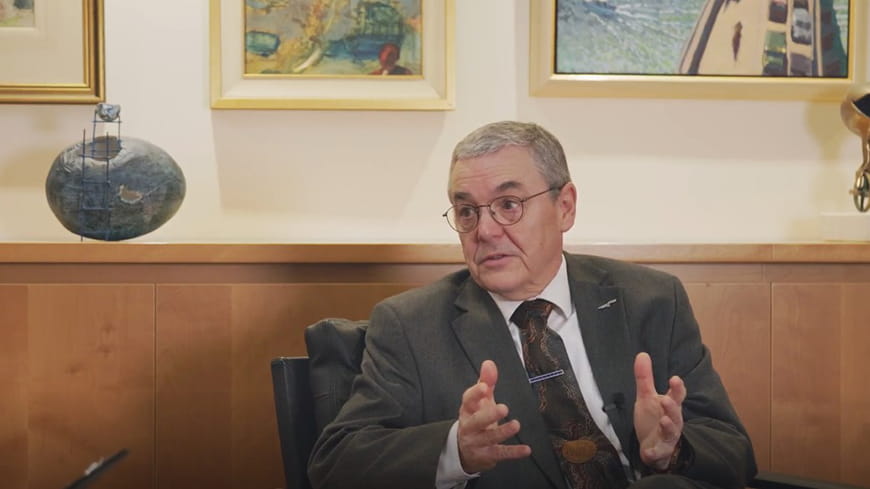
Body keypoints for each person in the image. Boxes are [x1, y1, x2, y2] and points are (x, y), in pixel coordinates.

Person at [308, 121, 757, 489]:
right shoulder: (411, 325)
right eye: (466, 211)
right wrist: (455, 449)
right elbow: (337, 464)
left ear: (564, 207)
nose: (484, 230)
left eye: (508, 205)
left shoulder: (650, 300)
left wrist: (672, 451)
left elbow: (734, 453)